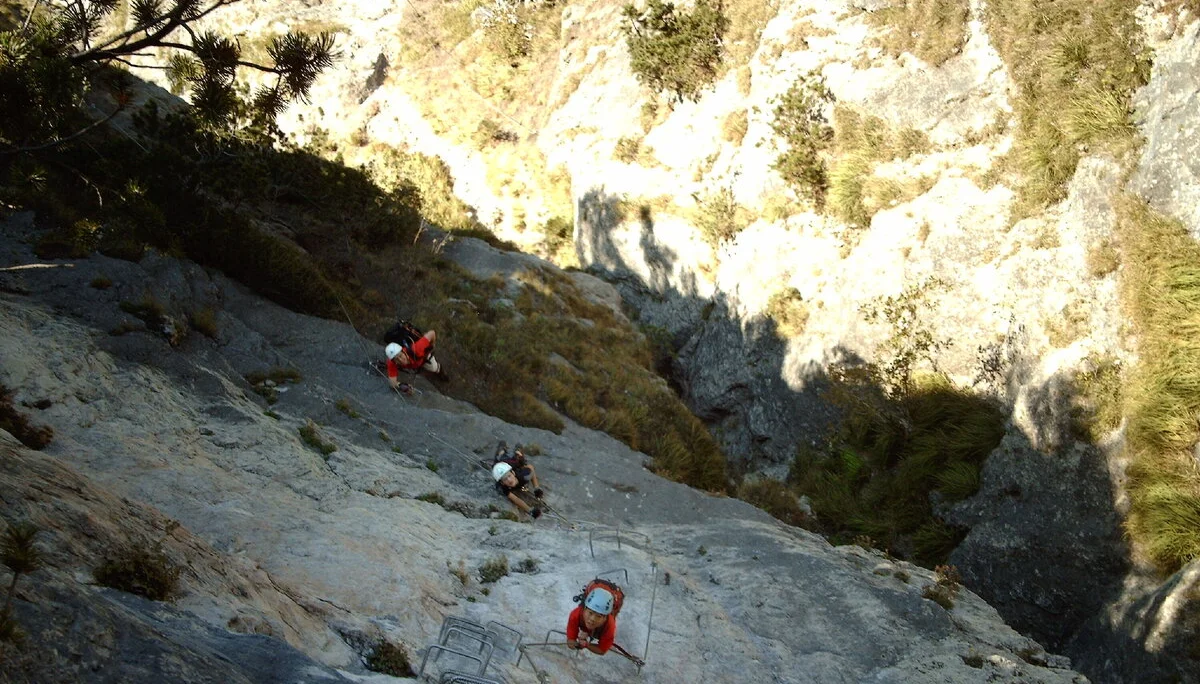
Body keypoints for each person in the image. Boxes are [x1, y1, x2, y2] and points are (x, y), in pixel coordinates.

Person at [492, 441, 543, 519]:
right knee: (498, 458)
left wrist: (537, 488)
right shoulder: (503, 488)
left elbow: (531, 468)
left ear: (513, 473)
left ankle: (517, 449)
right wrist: (530, 510)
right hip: (502, 464)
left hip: (512, 464)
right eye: (505, 479)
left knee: (518, 457)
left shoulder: (523, 476)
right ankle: (502, 448)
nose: (509, 480)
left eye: (509, 476)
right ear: (502, 483)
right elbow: (515, 499)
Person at [566, 585, 618, 655]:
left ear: (605, 618)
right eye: (590, 613)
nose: (592, 619)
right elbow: (570, 641)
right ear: (584, 609)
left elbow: (602, 650)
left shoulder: (609, 626)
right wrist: (575, 644)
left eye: (598, 616)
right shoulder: (576, 615)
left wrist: (587, 645)